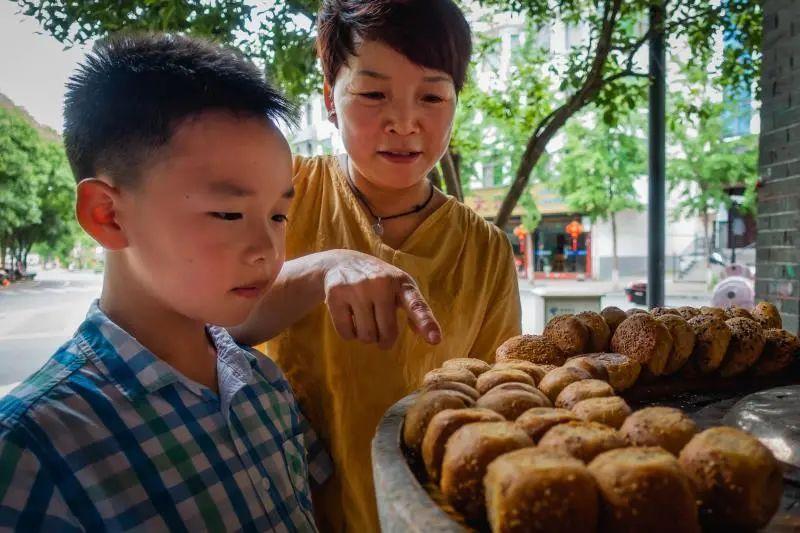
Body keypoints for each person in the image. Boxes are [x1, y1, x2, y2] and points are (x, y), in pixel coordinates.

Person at [0, 34, 333, 531]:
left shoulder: (264, 385)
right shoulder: (32, 450)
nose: (268, 248)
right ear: (107, 215)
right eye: (228, 212)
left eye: (280, 214)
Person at [233, 0, 522, 529]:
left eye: (432, 95)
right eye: (373, 93)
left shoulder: (487, 252)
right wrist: (324, 268)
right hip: (288, 512)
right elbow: (215, 328)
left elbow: (497, 404)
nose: (404, 122)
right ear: (329, 100)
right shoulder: (282, 196)